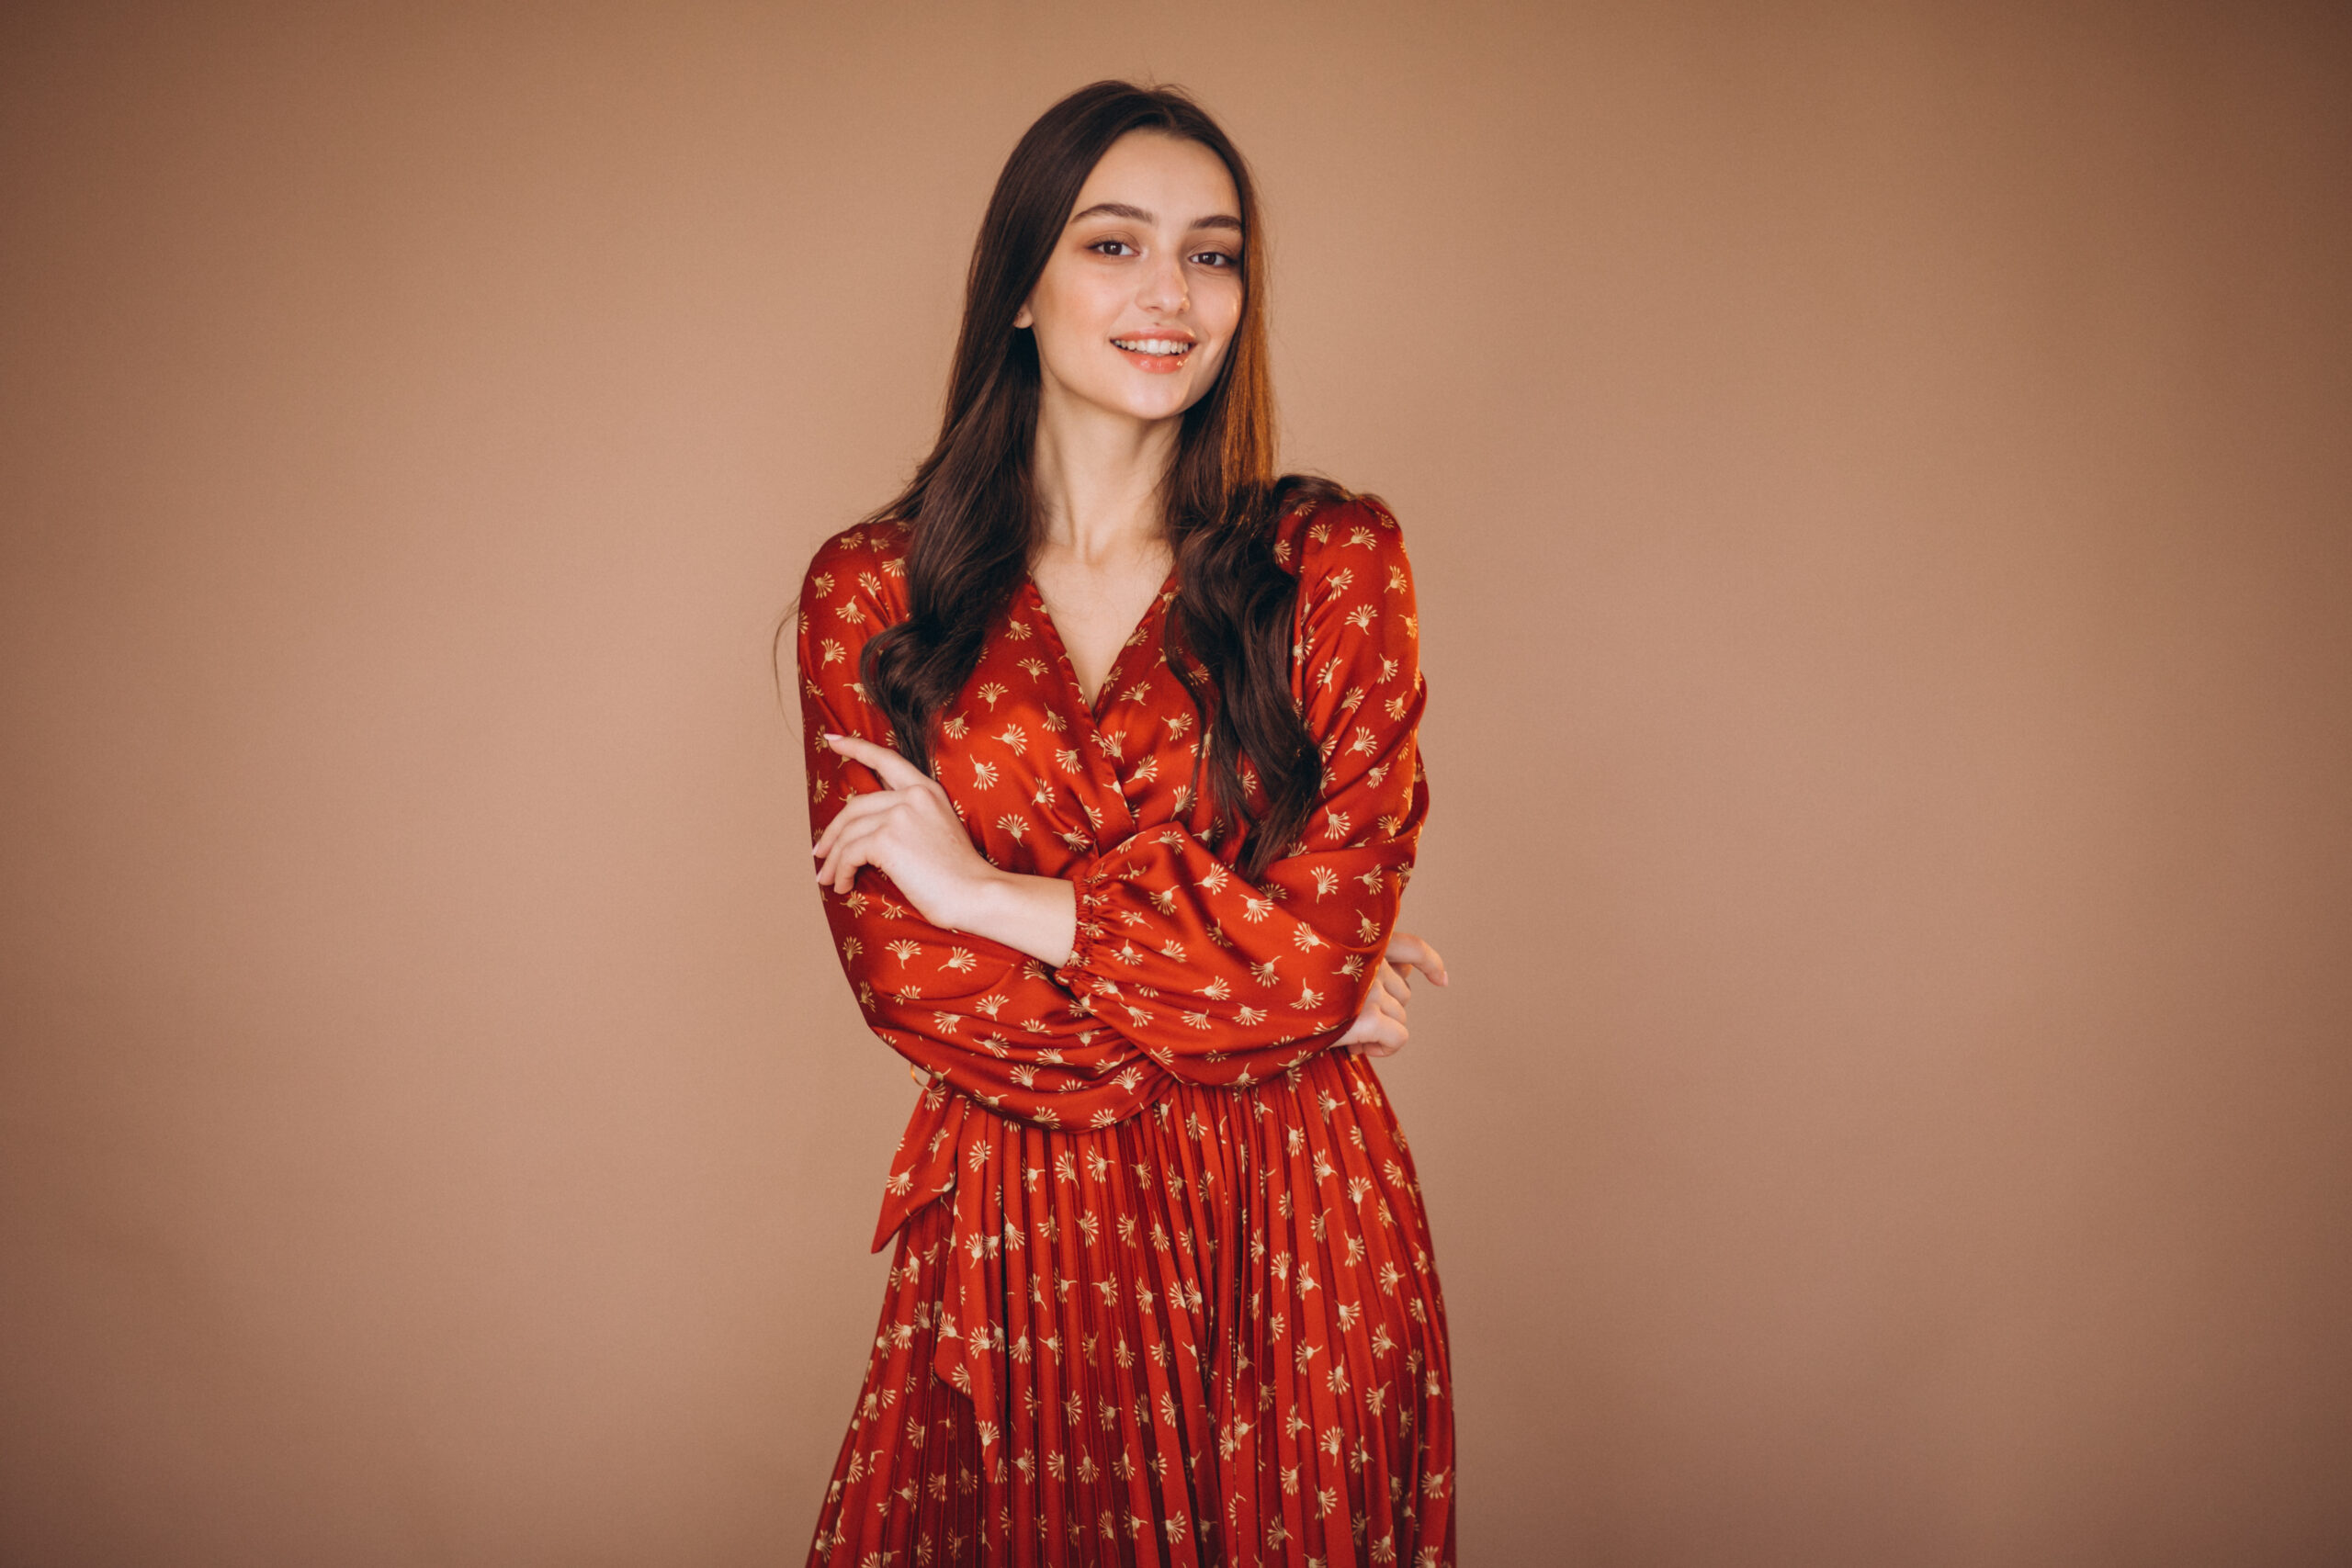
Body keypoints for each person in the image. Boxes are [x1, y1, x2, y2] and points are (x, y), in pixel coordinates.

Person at [791, 79, 1454, 1568]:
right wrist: (1283, 998)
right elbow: (907, 980)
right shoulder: (873, 594)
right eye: (1115, 245)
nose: (1173, 293)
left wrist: (997, 900)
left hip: (1294, 1236)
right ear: (1021, 285)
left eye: (1213, 255)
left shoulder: (1332, 566)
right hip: (1020, 1238)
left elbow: (1323, 946)